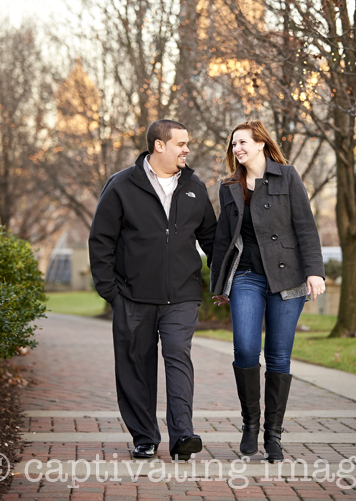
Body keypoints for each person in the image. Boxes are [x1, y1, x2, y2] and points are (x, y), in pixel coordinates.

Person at [89, 120, 217, 461]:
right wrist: (112, 292)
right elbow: (101, 240)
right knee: (135, 366)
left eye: (187, 143)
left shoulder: (194, 186)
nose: (187, 149)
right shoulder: (121, 185)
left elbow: (211, 239)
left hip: (183, 295)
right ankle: (144, 437)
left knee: (178, 358)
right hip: (132, 295)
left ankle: (182, 436)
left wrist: (228, 275)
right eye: (181, 143)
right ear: (159, 146)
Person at [211, 120, 325, 462]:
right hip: (247, 275)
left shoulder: (287, 176)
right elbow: (221, 239)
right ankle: (250, 423)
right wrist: (219, 282)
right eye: (233, 145)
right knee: (245, 349)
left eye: (243, 142)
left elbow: (305, 226)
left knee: (278, 355)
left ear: (261, 144)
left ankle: (273, 434)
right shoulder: (229, 186)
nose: (237, 149)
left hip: (288, 279)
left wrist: (314, 272)